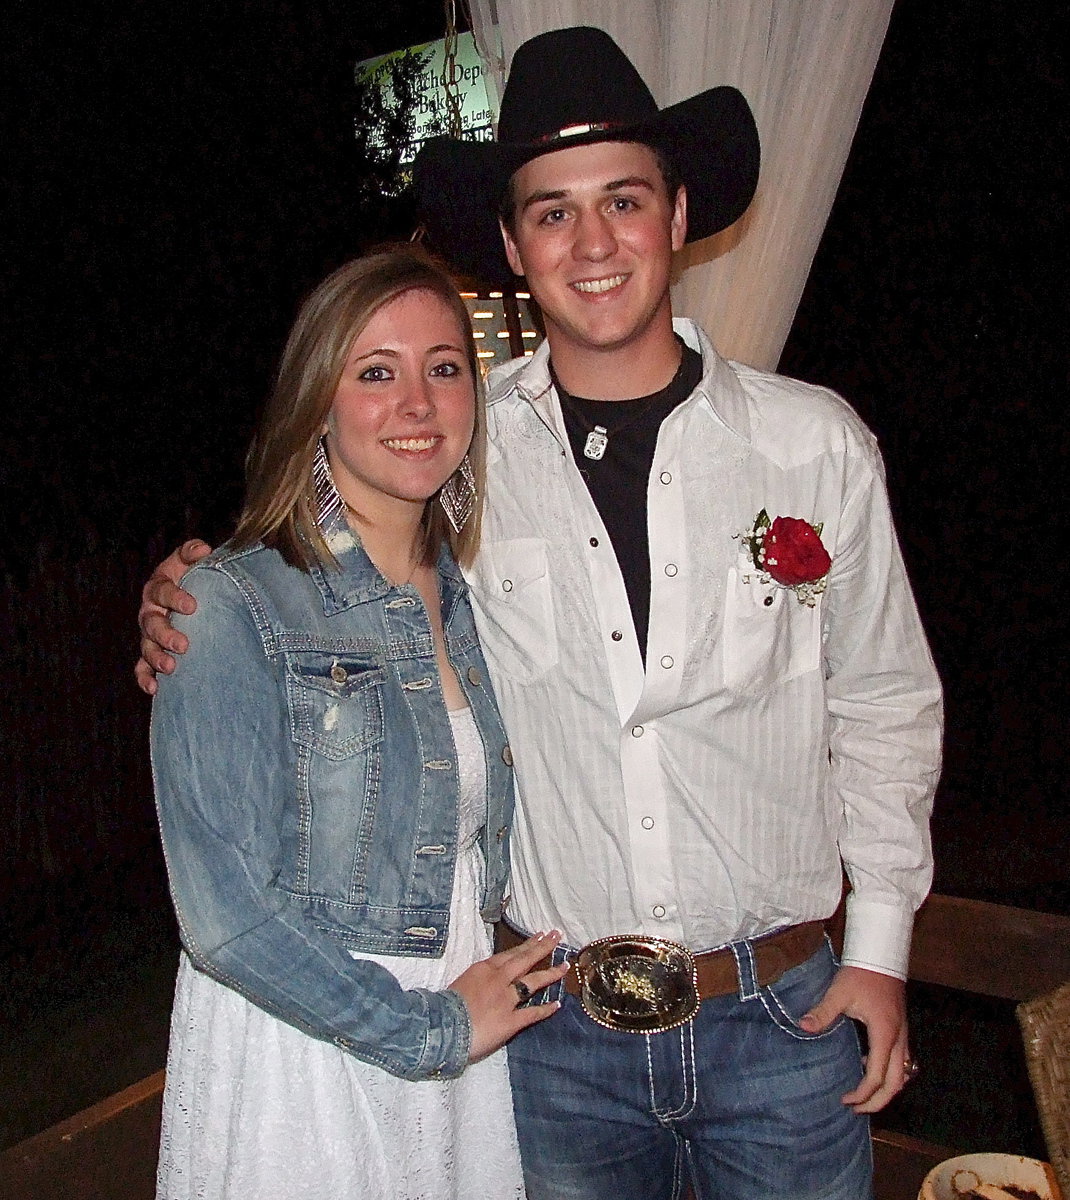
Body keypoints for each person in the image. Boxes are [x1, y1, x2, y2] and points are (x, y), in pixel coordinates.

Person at [139, 28, 943, 1200]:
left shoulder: (809, 444)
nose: (593, 242)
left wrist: (878, 951)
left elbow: (883, 703)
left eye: (622, 199)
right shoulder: (464, 452)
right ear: (514, 247)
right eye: (552, 213)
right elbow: (326, 576)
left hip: (781, 1016)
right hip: (555, 1038)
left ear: (676, 215)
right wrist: (191, 591)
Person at [147, 246, 567, 1200]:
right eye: (376, 373)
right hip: (310, 1050)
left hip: (458, 1015)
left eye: (444, 368)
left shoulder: (464, 595)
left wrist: (456, 1022)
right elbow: (224, 920)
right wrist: (430, 1031)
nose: (417, 403)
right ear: (316, 403)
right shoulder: (232, 606)